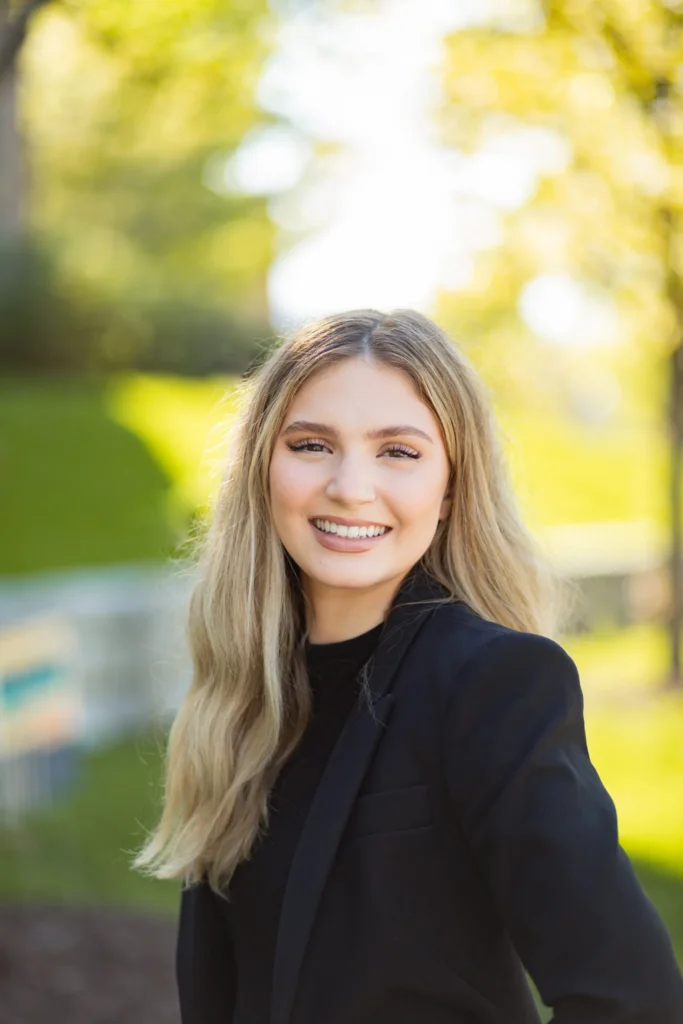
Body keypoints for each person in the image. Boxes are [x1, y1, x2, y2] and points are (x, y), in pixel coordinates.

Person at [134, 309, 683, 1024]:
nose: (350, 487)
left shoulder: (493, 684)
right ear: (263, 469)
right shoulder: (240, 703)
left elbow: (631, 997)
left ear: (450, 488)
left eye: (398, 452)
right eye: (310, 445)